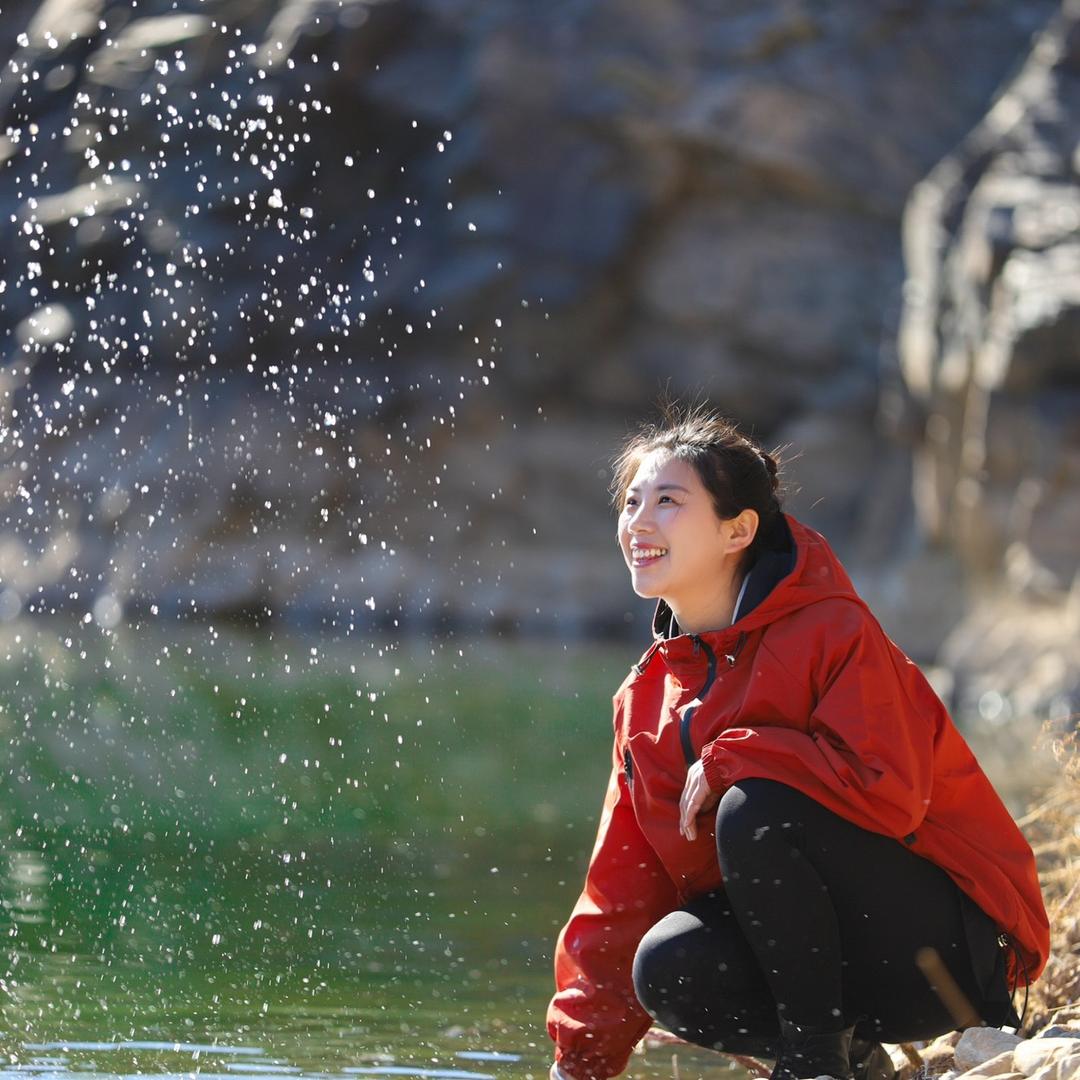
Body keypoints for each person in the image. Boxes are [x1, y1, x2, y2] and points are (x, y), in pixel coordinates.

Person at [546, 404, 1049, 1080]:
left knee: (754, 809)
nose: (638, 522)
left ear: (738, 530)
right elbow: (619, 893)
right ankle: (848, 1056)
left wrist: (736, 755)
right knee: (663, 964)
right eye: (631, 501)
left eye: (668, 502)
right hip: (833, 969)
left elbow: (888, 792)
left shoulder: (832, 630)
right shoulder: (645, 702)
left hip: (952, 950)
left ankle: (815, 1066)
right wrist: (578, 1063)